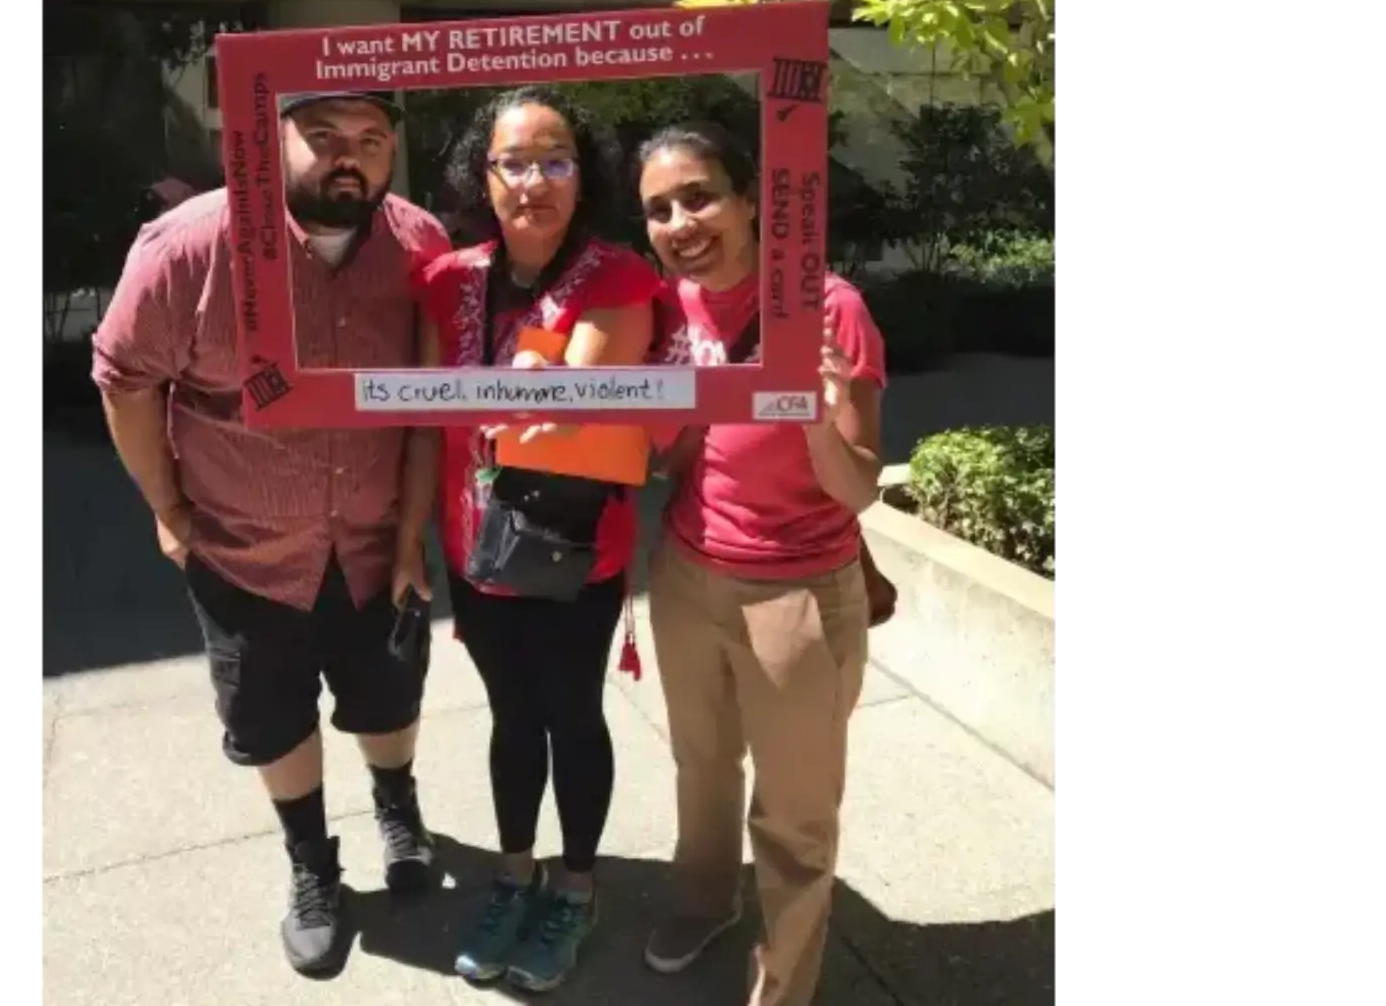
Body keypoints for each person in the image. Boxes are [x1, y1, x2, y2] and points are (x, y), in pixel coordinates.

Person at [90, 90, 452, 976]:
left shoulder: (419, 245)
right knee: (270, 713)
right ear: (267, 140)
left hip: (375, 540)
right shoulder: (187, 247)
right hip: (243, 546)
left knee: (389, 693)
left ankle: (396, 806)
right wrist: (170, 512)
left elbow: (430, 408)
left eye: (371, 141)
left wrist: (411, 539)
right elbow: (124, 378)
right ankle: (311, 865)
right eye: (322, 137)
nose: (349, 159)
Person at [406, 86, 668, 993]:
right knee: (511, 719)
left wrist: (535, 367)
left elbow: (566, 404)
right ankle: (515, 875)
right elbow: (415, 411)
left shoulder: (620, 277)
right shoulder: (446, 281)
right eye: (513, 161)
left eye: (555, 158)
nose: (534, 180)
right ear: (484, 175)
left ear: (581, 173)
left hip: (572, 549)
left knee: (569, 715)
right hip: (474, 546)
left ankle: (576, 886)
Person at [634, 123, 887, 1006]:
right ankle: (704, 901)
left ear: (750, 200)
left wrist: (815, 412)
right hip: (686, 572)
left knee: (794, 818)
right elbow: (670, 461)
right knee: (702, 765)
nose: (680, 222)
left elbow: (859, 490)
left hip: (799, 593)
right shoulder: (671, 305)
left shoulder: (831, 307)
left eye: (699, 196)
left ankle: (782, 985)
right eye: (659, 210)